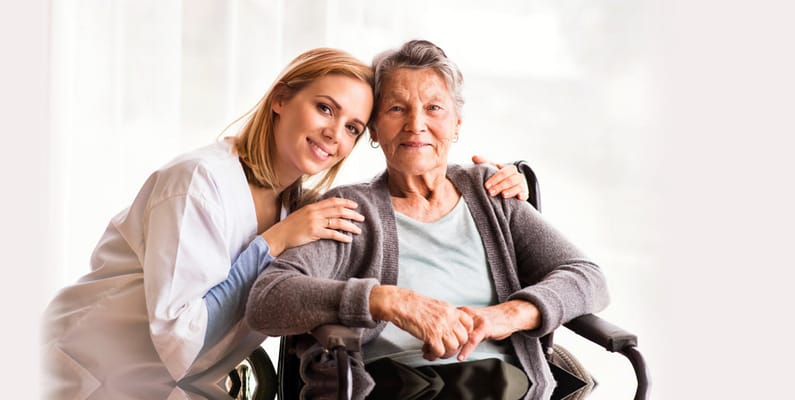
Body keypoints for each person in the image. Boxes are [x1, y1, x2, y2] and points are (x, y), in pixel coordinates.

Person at [41, 47, 530, 400]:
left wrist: (516, 179)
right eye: (324, 108)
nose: (333, 135)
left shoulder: (298, 202)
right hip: (75, 369)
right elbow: (182, 345)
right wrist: (272, 243)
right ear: (280, 99)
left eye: (352, 127)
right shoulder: (198, 183)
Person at [247, 39, 609, 400]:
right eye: (396, 109)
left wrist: (507, 315)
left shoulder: (491, 192)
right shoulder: (351, 210)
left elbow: (587, 277)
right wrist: (384, 300)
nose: (416, 124)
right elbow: (267, 301)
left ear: (456, 124)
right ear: (374, 130)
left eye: (434, 107)